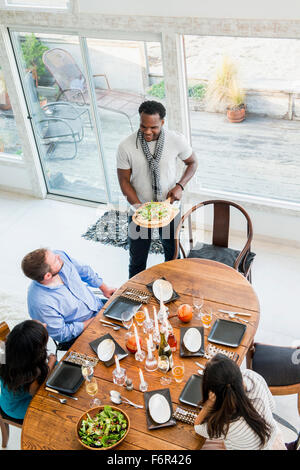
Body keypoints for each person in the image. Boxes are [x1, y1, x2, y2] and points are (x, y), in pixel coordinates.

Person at [117, 100, 198, 278]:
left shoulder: (176, 140)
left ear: (162, 122)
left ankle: (170, 289)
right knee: (137, 259)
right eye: (143, 126)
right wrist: (141, 209)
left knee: (172, 255)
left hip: (169, 209)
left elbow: (192, 163)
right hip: (139, 210)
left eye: (153, 127)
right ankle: (134, 297)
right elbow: (123, 181)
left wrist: (180, 185)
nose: (147, 131)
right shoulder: (126, 146)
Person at [21, 248, 116, 348]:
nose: (58, 256)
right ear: (48, 276)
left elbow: (84, 270)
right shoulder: (40, 303)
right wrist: (93, 320)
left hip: (98, 306)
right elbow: (62, 334)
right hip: (81, 333)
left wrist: (104, 288)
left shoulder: (59, 258)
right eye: (55, 260)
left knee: (131, 316)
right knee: (115, 348)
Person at [194, 354, 286, 450]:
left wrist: (208, 404)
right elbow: (272, 407)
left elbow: (197, 427)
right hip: (270, 437)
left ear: (213, 393)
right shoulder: (252, 377)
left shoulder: (224, 424)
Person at [0, 320, 56, 422]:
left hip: (6, 401)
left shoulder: (3, 352)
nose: (45, 324)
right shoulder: (33, 374)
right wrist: (51, 361)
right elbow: (37, 394)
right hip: (19, 410)